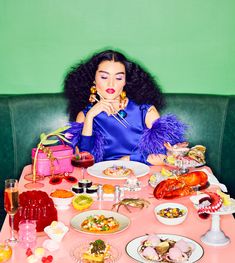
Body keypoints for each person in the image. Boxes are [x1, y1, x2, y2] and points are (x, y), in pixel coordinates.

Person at [64, 50, 187, 165]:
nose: (111, 83)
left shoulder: (145, 111)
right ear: (94, 80)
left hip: (141, 179)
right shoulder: (85, 115)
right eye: (104, 77)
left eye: (118, 78)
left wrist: (129, 159)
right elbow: (84, 160)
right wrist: (91, 116)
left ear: (125, 81)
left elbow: (164, 155)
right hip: (102, 182)